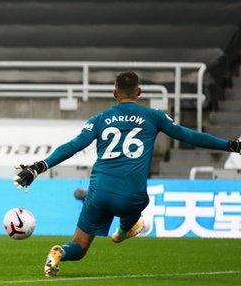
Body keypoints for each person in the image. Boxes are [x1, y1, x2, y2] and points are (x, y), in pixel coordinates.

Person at [13, 71, 241, 277]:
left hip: (98, 193)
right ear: (139, 92)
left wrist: (38, 167)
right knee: (139, 205)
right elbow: (189, 136)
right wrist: (230, 145)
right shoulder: (154, 116)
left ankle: (59, 252)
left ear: (114, 93)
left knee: (80, 247)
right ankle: (124, 230)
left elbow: (72, 146)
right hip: (130, 197)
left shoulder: (100, 119)